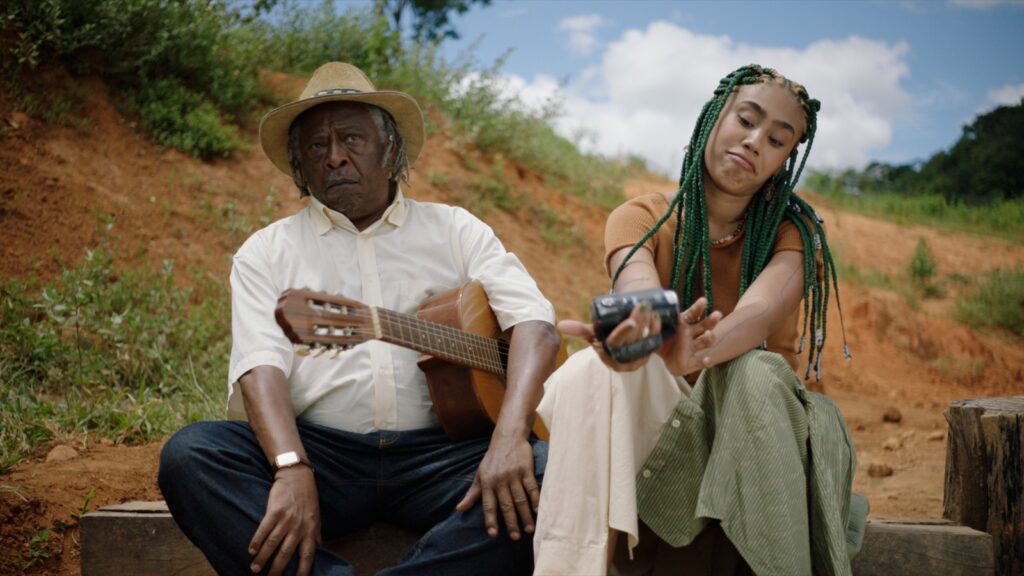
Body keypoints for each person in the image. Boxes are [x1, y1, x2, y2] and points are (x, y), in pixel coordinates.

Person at [158, 61, 560, 576]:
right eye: (315, 147)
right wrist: (290, 465)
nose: (334, 157)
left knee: (555, 471)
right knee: (192, 456)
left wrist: (509, 437)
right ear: (299, 166)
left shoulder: (455, 230)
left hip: (445, 457)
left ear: (391, 150)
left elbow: (536, 327)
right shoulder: (266, 252)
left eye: (352, 138)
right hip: (323, 456)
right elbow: (260, 365)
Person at [532, 64, 866, 575]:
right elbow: (637, 283)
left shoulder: (795, 235)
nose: (755, 142)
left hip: (760, 425)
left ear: (783, 161)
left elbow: (757, 313)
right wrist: (652, 330)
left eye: (776, 140)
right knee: (588, 372)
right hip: (670, 422)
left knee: (751, 370)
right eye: (746, 120)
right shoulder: (640, 216)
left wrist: (700, 349)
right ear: (713, 117)